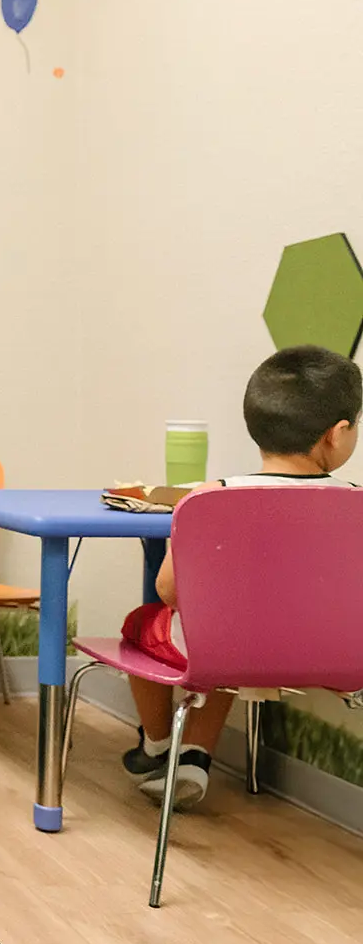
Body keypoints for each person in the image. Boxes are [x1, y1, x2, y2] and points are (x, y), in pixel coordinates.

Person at [123, 344, 359, 809]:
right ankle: (194, 755)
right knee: (232, 640)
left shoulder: (209, 500)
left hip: (230, 651)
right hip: (334, 657)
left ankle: (156, 745)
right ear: (338, 434)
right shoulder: (356, 502)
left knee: (154, 624)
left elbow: (169, 590)